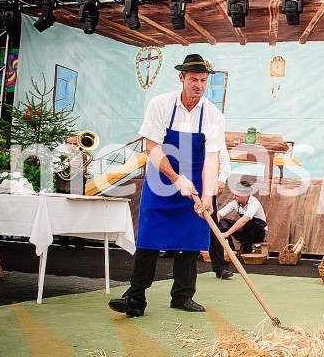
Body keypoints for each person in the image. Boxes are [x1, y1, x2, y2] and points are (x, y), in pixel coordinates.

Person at [108, 53, 224, 317]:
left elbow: (213, 157)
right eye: (194, 79)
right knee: (149, 237)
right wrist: (175, 178)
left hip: (194, 179)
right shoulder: (160, 104)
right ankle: (135, 298)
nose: (199, 85)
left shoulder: (213, 115)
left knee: (191, 239)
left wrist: (207, 195)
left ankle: (182, 296)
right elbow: (152, 147)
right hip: (161, 178)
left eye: (204, 80)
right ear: (181, 78)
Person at [217, 183, 267, 255]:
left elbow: (245, 219)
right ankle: (230, 250)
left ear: (245, 195)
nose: (234, 197)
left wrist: (227, 233)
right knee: (222, 222)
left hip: (257, 233)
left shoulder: (254, 203)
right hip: (243, 232)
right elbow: (219, 214)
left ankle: (246, 252)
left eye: (236, 195)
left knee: (249, 223)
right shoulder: (235, 203)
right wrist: (216, 225)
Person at [208, 145, 234, 279]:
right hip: (185, 189)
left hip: (206, 190)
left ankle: (220, 267)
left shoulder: (214, 131)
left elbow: (223, 156)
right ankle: (179, 268)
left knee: (213, 229)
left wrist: (222, 179)